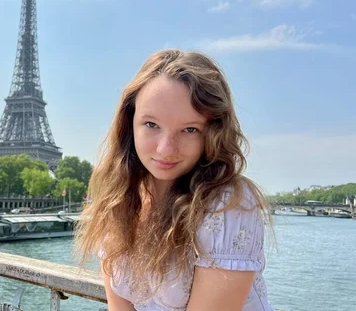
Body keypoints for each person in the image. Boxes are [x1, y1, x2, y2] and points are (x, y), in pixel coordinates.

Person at [75, 49, 274, 311]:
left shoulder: (227, 206)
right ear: (129, 123)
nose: (166, 149)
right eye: (151, 125)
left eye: (190, 129)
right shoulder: (119, 200)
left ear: (212, 134)